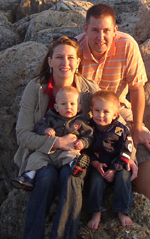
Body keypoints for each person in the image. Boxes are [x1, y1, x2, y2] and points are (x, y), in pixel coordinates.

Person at [13, 36, 99, 239]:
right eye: (59, 57)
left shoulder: (88, 91)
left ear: (78, 62)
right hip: (43, 155)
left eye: (70, 57)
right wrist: (56, 142)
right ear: (50, 61)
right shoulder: (36, 88)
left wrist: (135, 136)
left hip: (74, 156)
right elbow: (22, 135)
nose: (65, 62)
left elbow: (110, 119)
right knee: (46, 178)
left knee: (71, 177)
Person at [76, 3, 150, 209]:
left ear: (115, 30)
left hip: (117, 107)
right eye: (94, 30)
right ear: (85, 30)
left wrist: (138, 128)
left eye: (106, 31)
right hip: (84, 112)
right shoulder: (75, 51)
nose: (100, 37)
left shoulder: (127, 45)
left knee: (146, 152)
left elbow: (137, 89)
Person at [12, 85, 93, 190]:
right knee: (35, 157)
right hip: (49, 153)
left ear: (79, 108)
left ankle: (75, 165)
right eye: (63, 104)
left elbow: (89, 135)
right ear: (56, 107)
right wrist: (45, 130)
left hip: (66, 152)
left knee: (72, 155)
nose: (68, 107)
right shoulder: (51, 118)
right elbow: (39, 126)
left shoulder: (81, 122)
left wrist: (82, 142)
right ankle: (29, 176)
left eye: (72, 104)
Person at [85, 90, 135, 229]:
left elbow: (126, 150)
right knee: (95, 180)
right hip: (98, 164)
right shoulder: (89, 128)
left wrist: (114, 169)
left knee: (124, 178)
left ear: (115, 114)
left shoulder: (120, 130)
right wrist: (95, 163)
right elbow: (86, 149)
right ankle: (96, 212)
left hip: (118, 164)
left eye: (106, 112)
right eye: (97, 110)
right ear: (91, 110)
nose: (100, 115)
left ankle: (122, 211)